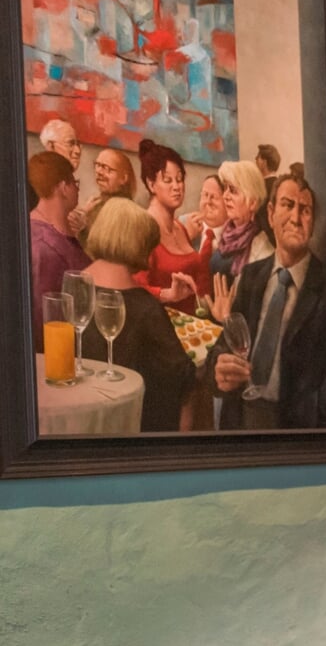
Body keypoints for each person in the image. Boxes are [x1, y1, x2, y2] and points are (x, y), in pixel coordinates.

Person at [207, 175, 326, 430]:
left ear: (312, 223)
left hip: (294, 427)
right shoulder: (251, 276)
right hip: (240, 418)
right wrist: (219, 369)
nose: (296, 218)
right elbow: (224, 345)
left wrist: (306, 418)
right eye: (288, 205)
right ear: (270, 213)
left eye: (305, 210)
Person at [78, 198, 194, 433]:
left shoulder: (72, 288)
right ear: (139, 244)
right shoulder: (144, 308)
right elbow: (181, 375)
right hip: (131, 427)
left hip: (79, 421)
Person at [136, 140, 209, 308]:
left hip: (191, 326)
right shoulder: (143, 230)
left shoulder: (181, 228)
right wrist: (168, 294)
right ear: (151, 184)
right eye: (168, 180)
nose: (177, 187)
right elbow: (135, 289)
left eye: (179, 179)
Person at [28, 151, 86, 339]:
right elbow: (42, 319)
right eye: (74, 183)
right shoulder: (45, 246)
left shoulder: (55, 232)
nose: (77, 190)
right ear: (63, 187)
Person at [208, 159, 271, 280]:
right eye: (225, 188)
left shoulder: (263, 250)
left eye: (233, 190)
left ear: (252, 202)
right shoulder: (224, 236)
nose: (225, 196)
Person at [84, 147, 135, 222]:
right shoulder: (95, 205)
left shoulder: (125, 213)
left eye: (106, 168)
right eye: (97, 165)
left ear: (123, 178)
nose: (98, 171)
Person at [179, 173, 228, 248]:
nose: (208, 201)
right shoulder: (182, 223)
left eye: (214, 197)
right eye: (205, 195)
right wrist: (188, 236)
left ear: (227, 202)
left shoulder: (234, 235)